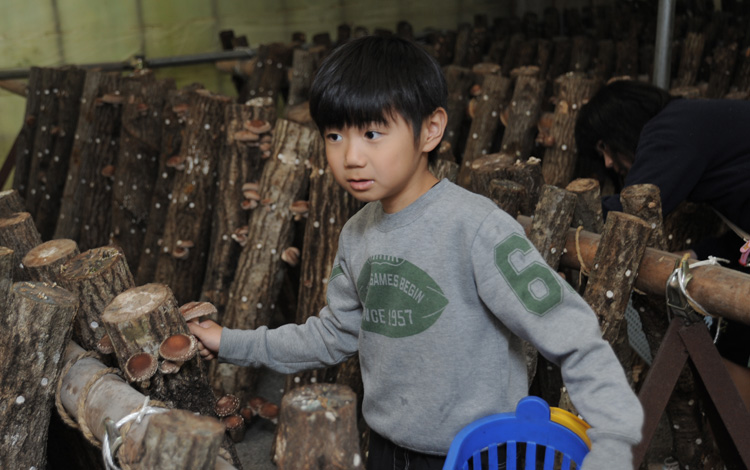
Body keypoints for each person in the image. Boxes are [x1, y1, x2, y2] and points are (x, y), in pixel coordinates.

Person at [190, 35, 643, 470]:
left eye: (372, 133)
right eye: (334, 136)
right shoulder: (357, 234)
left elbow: (574, 336)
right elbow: (331, 336)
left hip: (480, 454)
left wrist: (614, 440)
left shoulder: (477, 228)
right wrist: (230, 342)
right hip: (388, 448)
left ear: (430, 130)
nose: (350, 157)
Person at [575, 79, 750, 409]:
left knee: (726, 355)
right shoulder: (697, 122)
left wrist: (565, 206)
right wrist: (702, 252)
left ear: (620, 124)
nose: (609, 164)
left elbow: (633, 210)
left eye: (603, 148)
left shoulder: (671, 127)